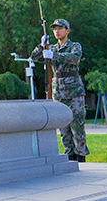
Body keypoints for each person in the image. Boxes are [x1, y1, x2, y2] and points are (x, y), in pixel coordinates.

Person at [31, 18, 89, 162]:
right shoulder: (50, 47)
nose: (57, 31)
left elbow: (75, 58)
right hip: (58, 90)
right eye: (55, 29)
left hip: (74, 90)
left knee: (77, 124)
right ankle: (69, 154)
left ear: (67, 31)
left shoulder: (74, 46)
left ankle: (80, 155)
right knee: (63, 126)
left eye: (60, 28)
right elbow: (34, 58)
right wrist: (41, 45)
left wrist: (54, 55)